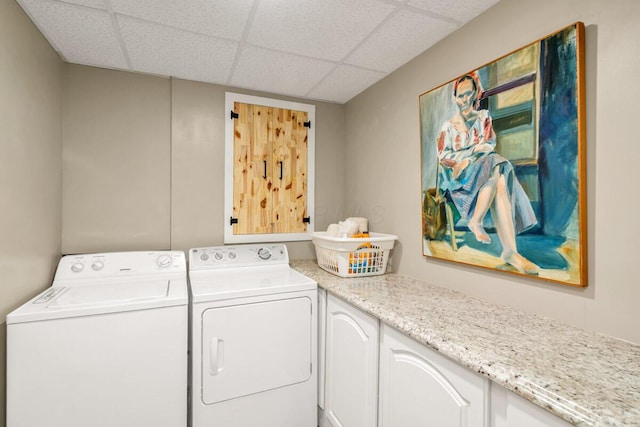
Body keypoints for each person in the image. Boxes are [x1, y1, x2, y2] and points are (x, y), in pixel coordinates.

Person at [436, 73, 539, 275]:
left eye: (469, 94)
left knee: (498, 174)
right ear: (455, 97)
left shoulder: (483, 118)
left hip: (483, 172)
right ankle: (505, 247)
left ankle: (502, 244)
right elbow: (443, 156)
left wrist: (473, 155)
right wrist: (469, 155)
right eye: (460, 95)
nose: (465, 100)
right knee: (497, 166)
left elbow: (489, 145)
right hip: (459, 182)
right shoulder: (447, 127)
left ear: (475, 93)